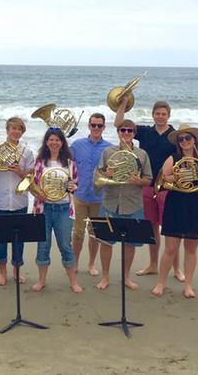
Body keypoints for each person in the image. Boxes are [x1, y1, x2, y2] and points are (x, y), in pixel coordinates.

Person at [115, 98, 185, 281]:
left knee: (172, 229)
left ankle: (177, 269)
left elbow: (184, 155)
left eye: (164, 114)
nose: (160, 117)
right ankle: (153, 265)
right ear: (153, 115)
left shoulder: (175, 135)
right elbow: (119, 124)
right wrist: (123, 103)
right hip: (146, 184)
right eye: (157, 113)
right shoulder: (145, 131)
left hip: (168, 187)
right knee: (152, 227)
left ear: (169, 116)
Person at [151, 124, 198, 298]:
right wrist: (180, 175)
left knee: (191, 248)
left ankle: (188, 285)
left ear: (194, 140)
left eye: (188, 138)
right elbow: (163, 179)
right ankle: (160, 283)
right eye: (181, 139)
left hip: (195, 203)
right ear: (178, 142)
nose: (184, 141)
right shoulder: (173, 158)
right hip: (176, 201)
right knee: (170, 247)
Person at [95, 119, 152, 290]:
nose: (126, 133)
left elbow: (148, 180)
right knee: (105, 242)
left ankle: (126, 277)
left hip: (133, 203)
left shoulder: (142, 154)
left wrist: (138, 181)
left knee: (130, 244)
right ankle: (105, 277)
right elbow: (99, 175)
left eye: (129, 130)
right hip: (110, 202)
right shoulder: (107, 152)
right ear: (118, 132)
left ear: (134, 133)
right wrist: (107, 174)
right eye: (122, 130)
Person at [0, 117, 34, 286]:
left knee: (19, 240)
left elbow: (31, 176)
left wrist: (20, 171)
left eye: (19, 129)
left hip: (19, 200)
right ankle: (2, 272)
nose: (15, 131)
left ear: (22, 132)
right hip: (0, 199)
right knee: (0, 239)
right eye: (12, 128)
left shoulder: (27, 151)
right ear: (7, 130)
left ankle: (16, 270)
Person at [31, 128, 83, 293]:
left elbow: (75, 185)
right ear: (46, 142)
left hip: (63, 209)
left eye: (57, 140)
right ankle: (41, 281)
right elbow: (33, 185)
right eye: (51, 140)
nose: (54, 143)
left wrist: (72, 186)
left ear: (62, 143)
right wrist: (39, 192)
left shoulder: (69, 163)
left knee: (65, 245)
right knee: (43, 245)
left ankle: (73, 282)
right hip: (43, 208)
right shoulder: (40, 162)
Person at [70, 113, 113, 277]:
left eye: (99, 125)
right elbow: (67, 165)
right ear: (88, 126)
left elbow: (114, 173)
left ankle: (91, 264)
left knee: (95, 233)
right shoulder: (77, 145)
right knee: (78, 233)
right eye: (93, 125)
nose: (96, 128)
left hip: (100, 198)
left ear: (104, 127)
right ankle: (75, 263)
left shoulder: (109, 148)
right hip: (80, 196)